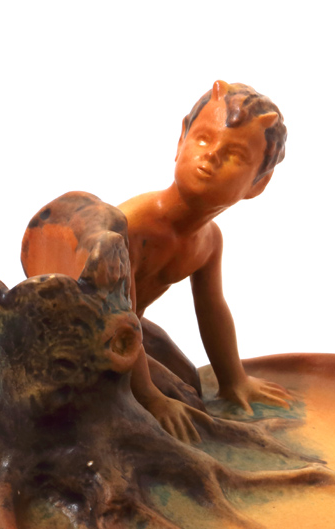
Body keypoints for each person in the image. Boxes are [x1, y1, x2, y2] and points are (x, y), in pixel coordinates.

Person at [117, 80, 291, 442]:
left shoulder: (208, 242)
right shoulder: (130, 227)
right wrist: (151, 397)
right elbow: (117, 319)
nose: (211, 155)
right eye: (203, 139)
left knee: (189, 379)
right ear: (181, 138)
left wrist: (233, 379)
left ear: (258, 184)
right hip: (88, 338)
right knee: (181, 398)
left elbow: (212, 308)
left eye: (235, 155)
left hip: (129, 327)